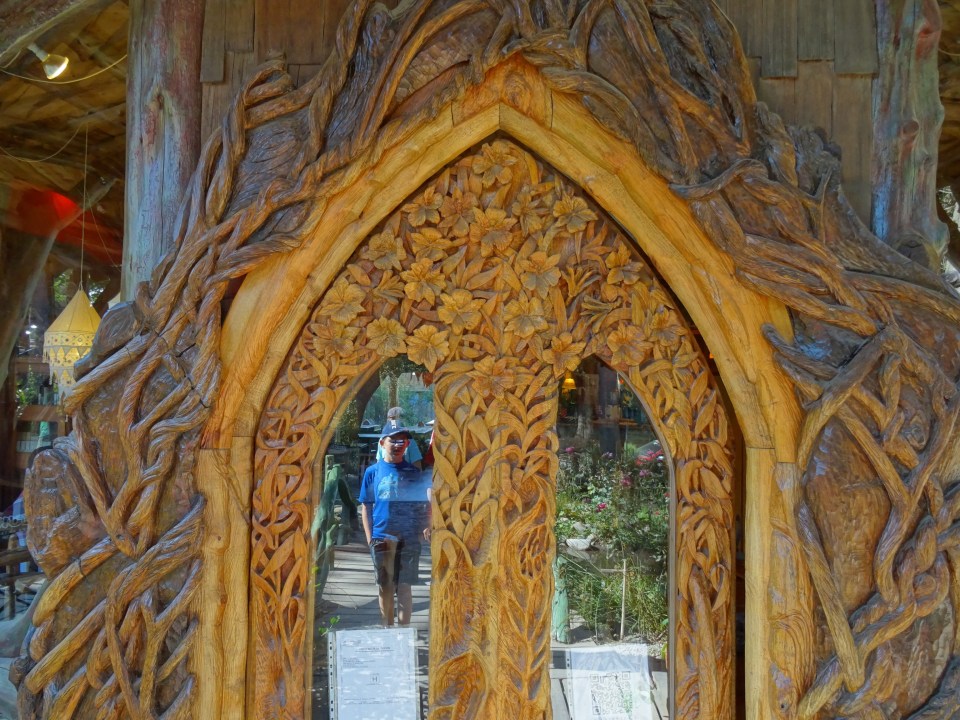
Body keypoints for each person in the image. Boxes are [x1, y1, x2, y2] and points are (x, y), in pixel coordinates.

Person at [359, 427, 431, 626]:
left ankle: (403, 633)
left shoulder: (414, 473)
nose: (398, 445)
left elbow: (422, 505)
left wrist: (423, 527)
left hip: (408, 539)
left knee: (405, 587)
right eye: (393, 440)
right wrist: (369, 537)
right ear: (382, 443)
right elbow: (366, 506)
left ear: (408, 445)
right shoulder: (372, 472)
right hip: (382, 536)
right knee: (385, 587)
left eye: (403, 441)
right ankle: (387, 631)